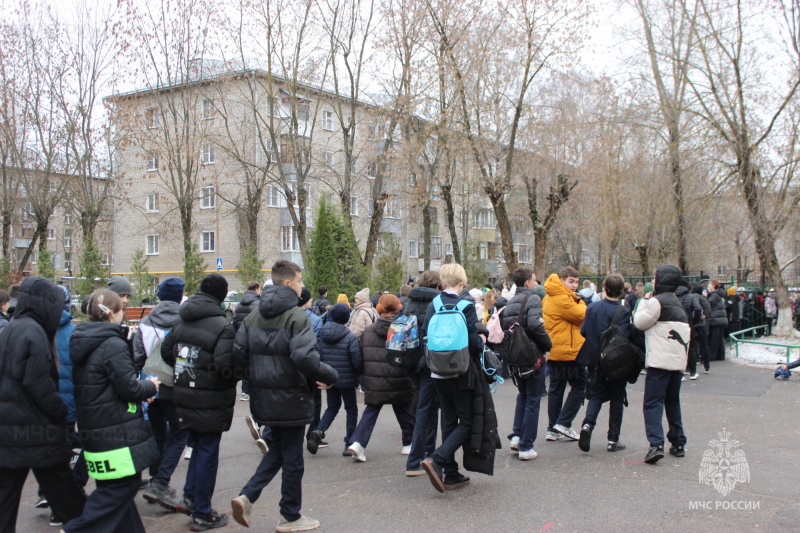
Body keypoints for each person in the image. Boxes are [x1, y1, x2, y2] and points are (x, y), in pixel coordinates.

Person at [230, 260, 337, 532]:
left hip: (263, 397)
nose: (302, 286)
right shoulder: (296, 317)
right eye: (300, 281)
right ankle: (290, 515)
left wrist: (255, 378)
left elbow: (238, 354)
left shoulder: (252, 316)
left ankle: (248, 496)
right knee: (292, 459)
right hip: (292, 396)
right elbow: (303, 356)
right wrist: (330, 376)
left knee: (278, 450)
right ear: (288, 283)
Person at [63, 290, 160, 533]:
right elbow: (127, 386)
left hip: (94, 427)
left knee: (114, 489)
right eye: (122, 310)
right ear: (113, 313)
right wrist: (150, 386)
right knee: (123, 487)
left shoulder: (80, 340)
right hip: (116, 429)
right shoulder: (112, 343)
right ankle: (77, 528)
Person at [0, 276, 87, 531]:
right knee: (68, 497)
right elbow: (39, 384)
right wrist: (61, 411)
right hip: (37, 432)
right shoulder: (33, 333)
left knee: (5, 500)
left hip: (9, 431)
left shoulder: (11, 328)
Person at [161, 274, 237, 530]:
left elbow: (166, 351)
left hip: (183, 393)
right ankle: (202, 512)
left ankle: (192, 496)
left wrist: (186, 370)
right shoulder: (223, 325)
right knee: (206, 451)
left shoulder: (182, 318)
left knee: (197, 445)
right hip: (210, 398)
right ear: (222, 296)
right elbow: (226, 366)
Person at [420, 263, 488, 493]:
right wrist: (484, 344)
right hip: (461, 369)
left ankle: (450, 472)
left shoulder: (434, 304)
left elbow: (425, 334)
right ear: (462, 282)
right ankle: (437, 460)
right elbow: (472, 339)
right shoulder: (465, 306)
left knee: (448, 419)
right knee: (467, 421)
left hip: (437, 370)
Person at [136, 277, 192, 511]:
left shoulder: (146, 321)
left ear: (159, 295)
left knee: (159, 434)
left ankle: (156, 479)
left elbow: (137, 357)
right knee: (180, 434)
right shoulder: (184, 321)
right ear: (181, 296)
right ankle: (160, 482)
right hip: (176, 386)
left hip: (150, 386)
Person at [347, 294, 415, 462]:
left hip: (374, 377)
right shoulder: (403, 328)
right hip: (399, 376)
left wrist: (362, 373)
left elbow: (361, 353)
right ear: (399, 307)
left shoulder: (369, 331)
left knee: (371, 411)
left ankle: (358, 443)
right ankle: (409, 443)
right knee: (404, 410)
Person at [633, 265, 690, 464]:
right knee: (672, 401)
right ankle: (678, 441)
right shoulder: (677, 302)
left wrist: (644, 302)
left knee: (652, 403)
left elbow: (639, 322)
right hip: (677, 360)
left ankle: (655, 444)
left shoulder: (657, 301)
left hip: (659, 361)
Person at [576, 274, 633, 453]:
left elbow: (584, 330)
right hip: (615, 361)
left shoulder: (592, 308)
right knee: (616, 398)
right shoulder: (623, 311)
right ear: (621, 290)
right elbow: (624, 337)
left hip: (594, 359)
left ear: (605, 288)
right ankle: (612, 439)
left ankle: (587, 425)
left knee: (596, 395)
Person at [502, 267, 552, 460]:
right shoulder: (532, 298)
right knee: (533, 399)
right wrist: (547, 346)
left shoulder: (511, 300)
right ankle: (526, 446)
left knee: (523, 395)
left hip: (515, 354)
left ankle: (516, 435)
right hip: (531, 355)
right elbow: (535, 325)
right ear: (527, 283)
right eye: (534, 280)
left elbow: (505, 325)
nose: (536, 283)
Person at [309, 303, 363, 456]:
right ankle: (349, 442)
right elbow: (356, 360)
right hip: (347, 379)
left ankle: (319, 430)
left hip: (329, 377)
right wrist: (359, 374)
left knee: (332, 407)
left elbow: (319, 355)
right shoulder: (350, 336)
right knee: (351, 409)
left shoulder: (323, 334)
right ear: (347, 318)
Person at [404, 270, 444, 476]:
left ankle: (429, 450)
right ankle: (415, 461)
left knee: (426, 406)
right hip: (430, 362)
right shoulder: (436, 304)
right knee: (425, 409)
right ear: (438, 284)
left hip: (411, 362)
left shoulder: (408, 302)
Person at [542, 266, 587, 441]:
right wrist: (580, 301)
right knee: (579, 386)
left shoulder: (549, 296)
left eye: (576, 281)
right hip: (569, 350)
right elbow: (581, 315)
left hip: (555, 349)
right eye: (571, 281)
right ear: (561, 280)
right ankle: (564, 423)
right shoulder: (563, 298)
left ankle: (553, 428)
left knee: (556, 388)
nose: (574, 285)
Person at [234, 282, 261, 402]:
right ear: (256, 290)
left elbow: (235, 322)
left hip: (242, 339)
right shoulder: (259, 304)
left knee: (245, 364)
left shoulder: (239, 305)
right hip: (256, 339)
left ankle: (245, 392)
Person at [706, 280, 728, 364]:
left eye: (709, 285)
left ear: (713, 286)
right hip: (721, 319)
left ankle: (712, 355)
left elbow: (708, 304)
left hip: (716, 318)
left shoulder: (714, 295)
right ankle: (720, 355)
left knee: (714, 338)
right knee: (719, 338)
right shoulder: (719, 294)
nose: (708, 286)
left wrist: (705, 296)